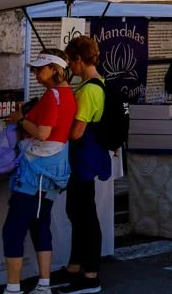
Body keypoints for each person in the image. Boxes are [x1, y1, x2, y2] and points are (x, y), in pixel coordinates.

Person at [2, 50, 77, 294]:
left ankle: (13, 288)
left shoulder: (53, 95)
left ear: (55, 69)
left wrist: (20, 119)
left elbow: (43, 132)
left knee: (14, 228)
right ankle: (43, 284)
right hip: (52, 169)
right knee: (39, 224)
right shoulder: (66, 94)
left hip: (37, 170)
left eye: (39, 68)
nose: (35, 72)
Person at [60, 37, 112, 294]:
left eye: (70, 60)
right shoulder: (92, 85)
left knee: (85, 217)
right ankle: (75, 267)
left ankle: (90, 276)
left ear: (79, 59)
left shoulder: (90, 89)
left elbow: (77, 132)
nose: (70, 65)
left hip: (83, 160)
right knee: (77, 213)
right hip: (83, 160)